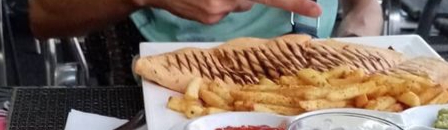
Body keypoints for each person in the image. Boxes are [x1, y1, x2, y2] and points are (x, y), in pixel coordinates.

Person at [30, 0, 383, 42]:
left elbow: (365, 8)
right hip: (159, 91)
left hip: (318, 76)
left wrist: (364, 16)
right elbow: (44, 15)